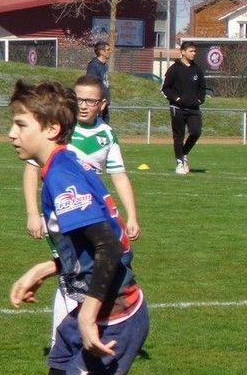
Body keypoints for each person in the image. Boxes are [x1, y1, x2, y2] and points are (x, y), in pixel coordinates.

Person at [7, 80, 204, 375]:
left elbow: (111, 247)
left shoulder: (62, 173)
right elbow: (99, 239)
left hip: (112, 316)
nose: (11, 134)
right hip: (86, 309)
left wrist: (90, 315)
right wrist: (47, 267)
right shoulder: (64, 163)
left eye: (20, 124)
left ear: (51, 128)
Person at [23, 75, 140, 245]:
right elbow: (32, 169)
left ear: (102, 104)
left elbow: (120, 177)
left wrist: (132, 217)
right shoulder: (56, 129)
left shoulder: (107, 134)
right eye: (79, 100)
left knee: (91, 266)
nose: (83, 106)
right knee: (73, 266)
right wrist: (33, 214)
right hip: (59, 213)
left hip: (93, 213)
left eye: (91, 101)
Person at [161, 41, 207, 175]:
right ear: (183, 52)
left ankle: (184, 153)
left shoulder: (197, 69)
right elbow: (165, 88)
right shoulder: (174, 69)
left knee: (196, 132)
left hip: (193, 108)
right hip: (177, 108)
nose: (194, 53)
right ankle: (180, 162)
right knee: (178, 137)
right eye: (191, 51)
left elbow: (202, 88)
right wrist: (177, 99)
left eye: (195, 51)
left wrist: (200, 99)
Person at [85, 41, 111, 122]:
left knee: (105, 127)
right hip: (97, 103)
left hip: (104, 103)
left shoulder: (104, 65)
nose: (110, 51)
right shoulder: (93, 66)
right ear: (102, 52)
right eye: (108, 49)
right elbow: (91, 84)